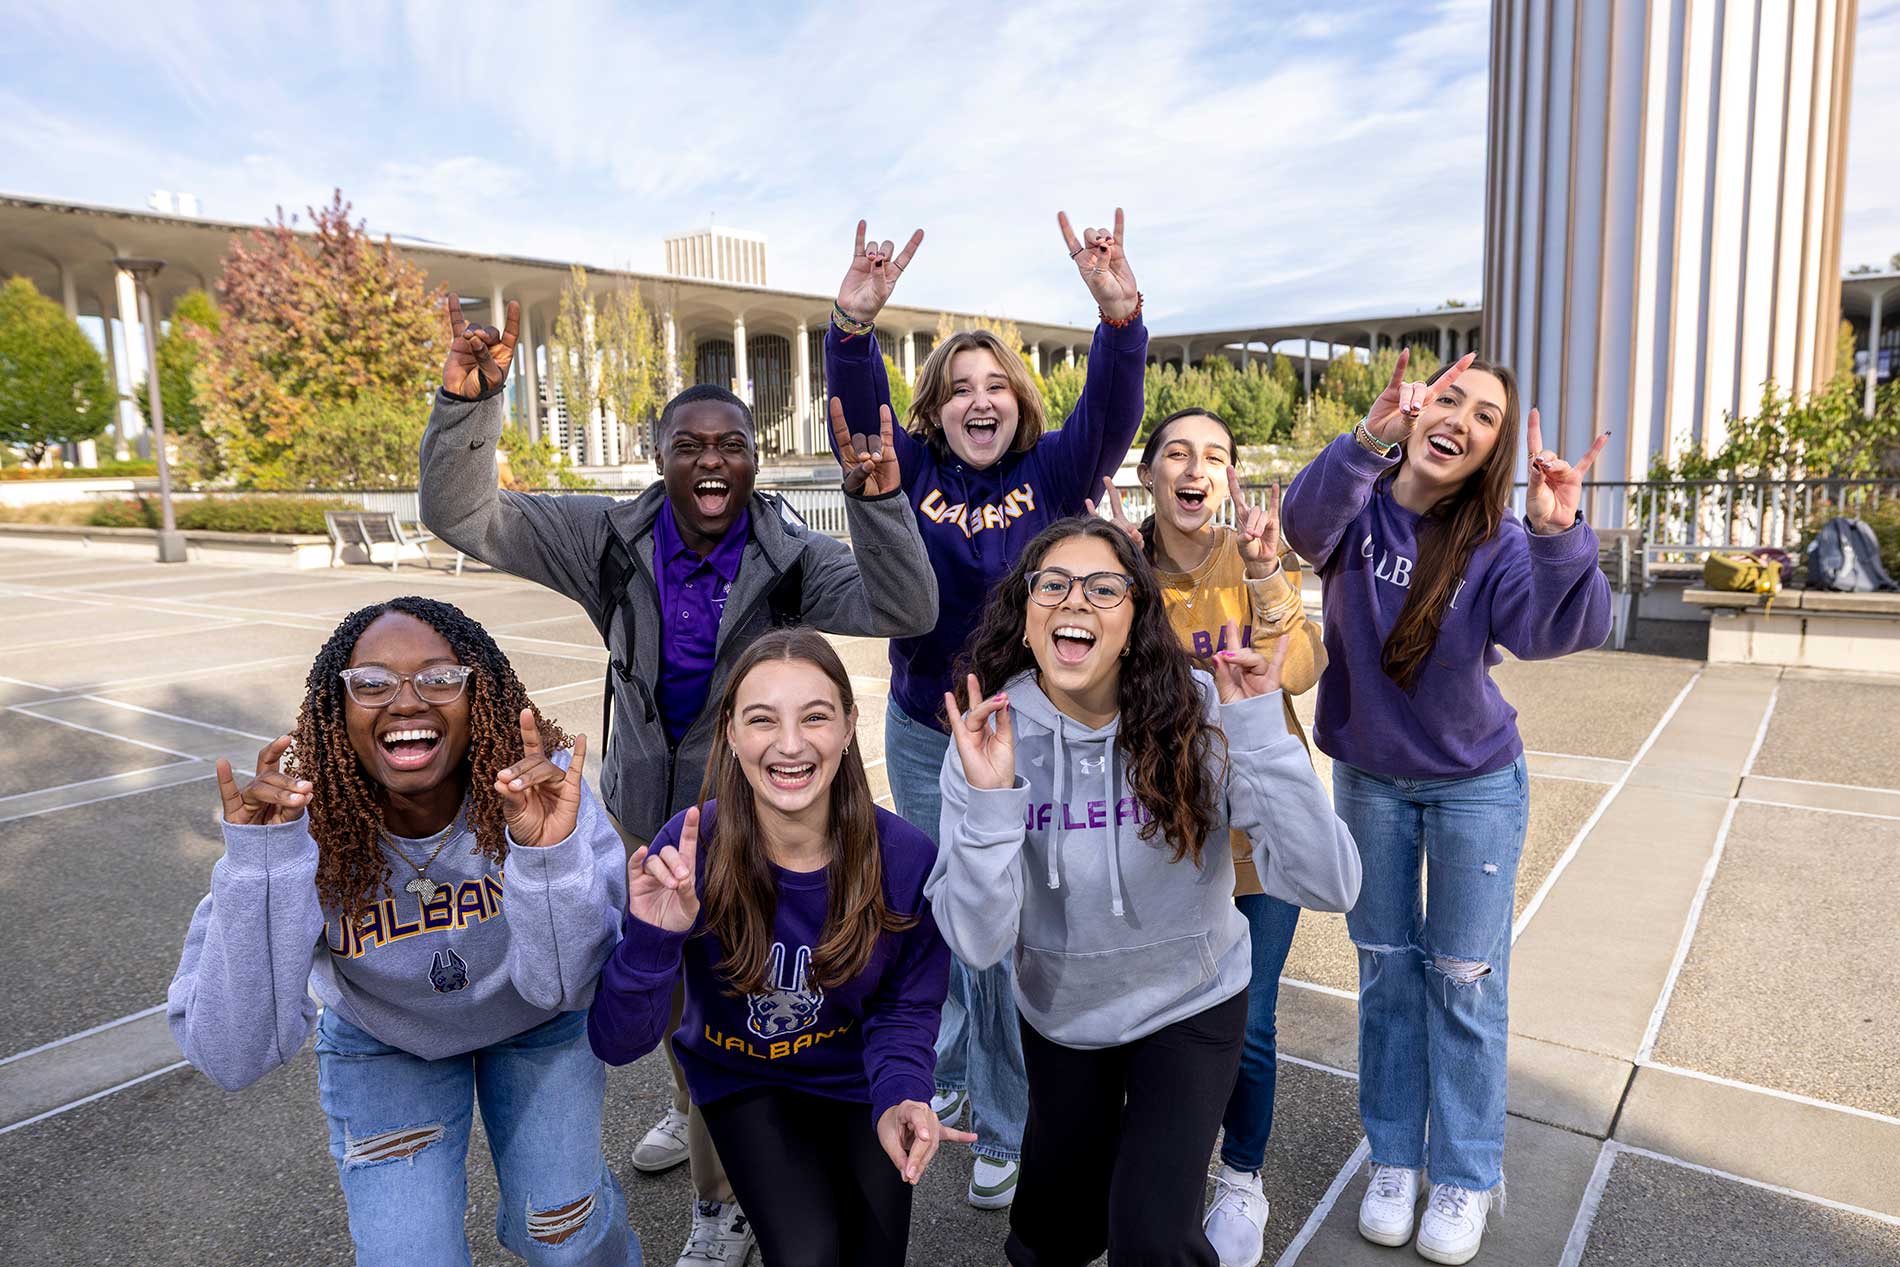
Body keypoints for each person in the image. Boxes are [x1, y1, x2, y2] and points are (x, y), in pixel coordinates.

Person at [420, 298, 940, 1265]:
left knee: (742, 988)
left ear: (754, 459)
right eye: (690, 444)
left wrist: (876, 503)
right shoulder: (607, 539)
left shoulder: (790, 558)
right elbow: (463, 514)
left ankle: (721, 1187)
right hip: (643, 812)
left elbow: (907, 606)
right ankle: (696, 1112)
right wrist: (470, 405)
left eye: (732, 445)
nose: (712, 461)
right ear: (660, 455)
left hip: (756, 817)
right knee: (662, 986)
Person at [924, 517, 1362, 1266]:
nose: (1075, 601)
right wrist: (992, 804)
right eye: (1053, 585)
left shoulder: (1199, 711)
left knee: (1152, 1239)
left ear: (1136, 620)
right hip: (1064, 1015)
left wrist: (1261, 732)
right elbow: (976, 942)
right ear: (1026, 619)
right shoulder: (992, 737)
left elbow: (1332, 882)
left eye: (1104, 588)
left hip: (1191, 1000)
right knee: (1053, 1237)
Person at [822, 212, 1148, 1209]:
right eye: (959, 386)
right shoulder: (913, 471)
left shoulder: (1054, 474)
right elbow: (861, 422)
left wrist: (1118, 315)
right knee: (939, 915)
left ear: (1019, 400)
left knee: (1002, 933)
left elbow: (1113, 409)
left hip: (1025, 737)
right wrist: (851, 326)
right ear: (936, 406)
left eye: (995, 384)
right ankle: (959, 1063)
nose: (979, 399)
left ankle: (1006, 1120)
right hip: (927, 734)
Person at [167, 596, 635, 1266]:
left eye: (440, 678)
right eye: (372, 683)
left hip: (537, 1021)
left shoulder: (541, 791)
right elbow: (233, 1056)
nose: (407, 700)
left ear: (480, 698)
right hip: (384, 1039)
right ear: (338, 709)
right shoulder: (297, 827)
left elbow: (571, 988)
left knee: (565, 1233)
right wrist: (259, 871)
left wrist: (545, 856)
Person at [1281, 351, 1611, 1265]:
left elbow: (1557, 629)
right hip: (1370, 780)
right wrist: (1366, 436)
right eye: (1451, 398)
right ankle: (1395, 1158)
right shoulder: (1358, 504)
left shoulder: (1497, 539)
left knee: (1464, 979)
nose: (1462, 419)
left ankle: (1465, 1173)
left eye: (1487, 416)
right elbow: (1302, 526)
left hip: (1474, 785)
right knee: (1387, 973)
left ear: (1492, 451)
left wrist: (1558, 533)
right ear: (1420, 409)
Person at [587, 628, 971, 1265]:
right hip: (745, 1078)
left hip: (858, 1077)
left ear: (849, 727)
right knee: (807, 1255)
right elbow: (618, 1043)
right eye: (762, 719)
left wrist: (904, 1093)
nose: (790, 744)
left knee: (876, 1254)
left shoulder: (904, 858)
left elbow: (905, 1008)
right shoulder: (688, 851)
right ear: (731, 734)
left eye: (815, 717)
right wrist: (654, 939)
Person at [1093, 406, 1326, 1267]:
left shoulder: (1253, 556)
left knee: (1250, 1021)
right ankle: (1162, 1170)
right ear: (1148, 474)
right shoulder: (1118, 561)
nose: (1196, 468)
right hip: (1157, 833)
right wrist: (1115, 581)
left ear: (1228, 478)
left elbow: (1301, 668)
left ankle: (1243, 1174)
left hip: (1254, 834)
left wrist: (1268, 579)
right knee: (1152, 1018)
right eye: (1178, 453)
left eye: (1216, 456)